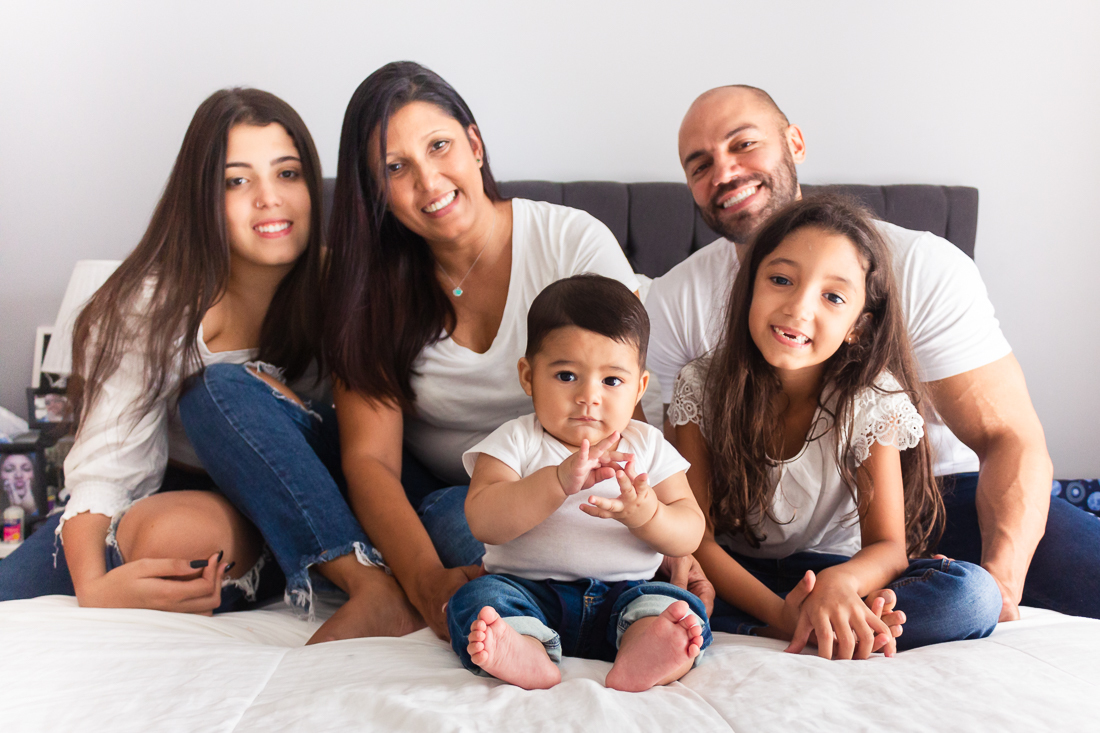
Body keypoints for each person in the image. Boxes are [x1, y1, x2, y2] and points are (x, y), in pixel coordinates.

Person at [646, 85, 1077, 622]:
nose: (725, 172)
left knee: (973, 595)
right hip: (750, 535)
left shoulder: (921, 268)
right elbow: (675, 493)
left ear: (794, 142)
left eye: (744, 144)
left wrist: (1001, 589)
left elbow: (1009, 437)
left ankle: (864, 619)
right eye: (700, 164)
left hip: (938, 501)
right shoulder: (677, 306)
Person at [0, 89, 408, 644]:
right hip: (191, 494)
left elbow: (371, 437)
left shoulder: (344, 284)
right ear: (203, 198)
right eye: (237, 182)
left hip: (318, 484)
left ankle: (362, 582)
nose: (269, 198)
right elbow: (105, 468)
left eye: (287, 174)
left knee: (217, 391)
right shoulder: (153, 304)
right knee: (18, 589)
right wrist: (95, 589)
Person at [324, 62, 642, 641]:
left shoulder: (570, 242)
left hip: (587, 490)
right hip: (461, 500)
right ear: (375, 189)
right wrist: (425, 585)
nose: (428, 182)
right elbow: (371, 461)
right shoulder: (368, 289)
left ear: (474, 144)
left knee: (589, 549)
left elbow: (625, 405)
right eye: (396, 167)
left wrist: (673, 534)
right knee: (468, 519)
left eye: (439, 146)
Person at [672, 196, 1001, 658]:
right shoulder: (701, 386)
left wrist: (839, 583)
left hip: (837, 574)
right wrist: (781, 613)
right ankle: (814, 628)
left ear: (858, 327)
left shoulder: (871, 400)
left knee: (972, 595)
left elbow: (888, 547)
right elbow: (695, 537)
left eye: (833, 297)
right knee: (654, 591)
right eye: (781, 280)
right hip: (732, 577)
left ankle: (830, 622)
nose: (798, 308)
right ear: (750, 288)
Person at [447, 275, 710, 690]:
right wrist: (555, 482)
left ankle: (646, 648)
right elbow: (483, 520)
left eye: (611, 381)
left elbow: (690, 530)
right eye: (567, 376)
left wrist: (648, 515)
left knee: (674, 606)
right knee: (477, 601)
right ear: (528, 376)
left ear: (639, 387)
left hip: (628, 594)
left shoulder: (648, 445)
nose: (589, 396)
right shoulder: (515, 440)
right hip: (527, 592)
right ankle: (525, 649)